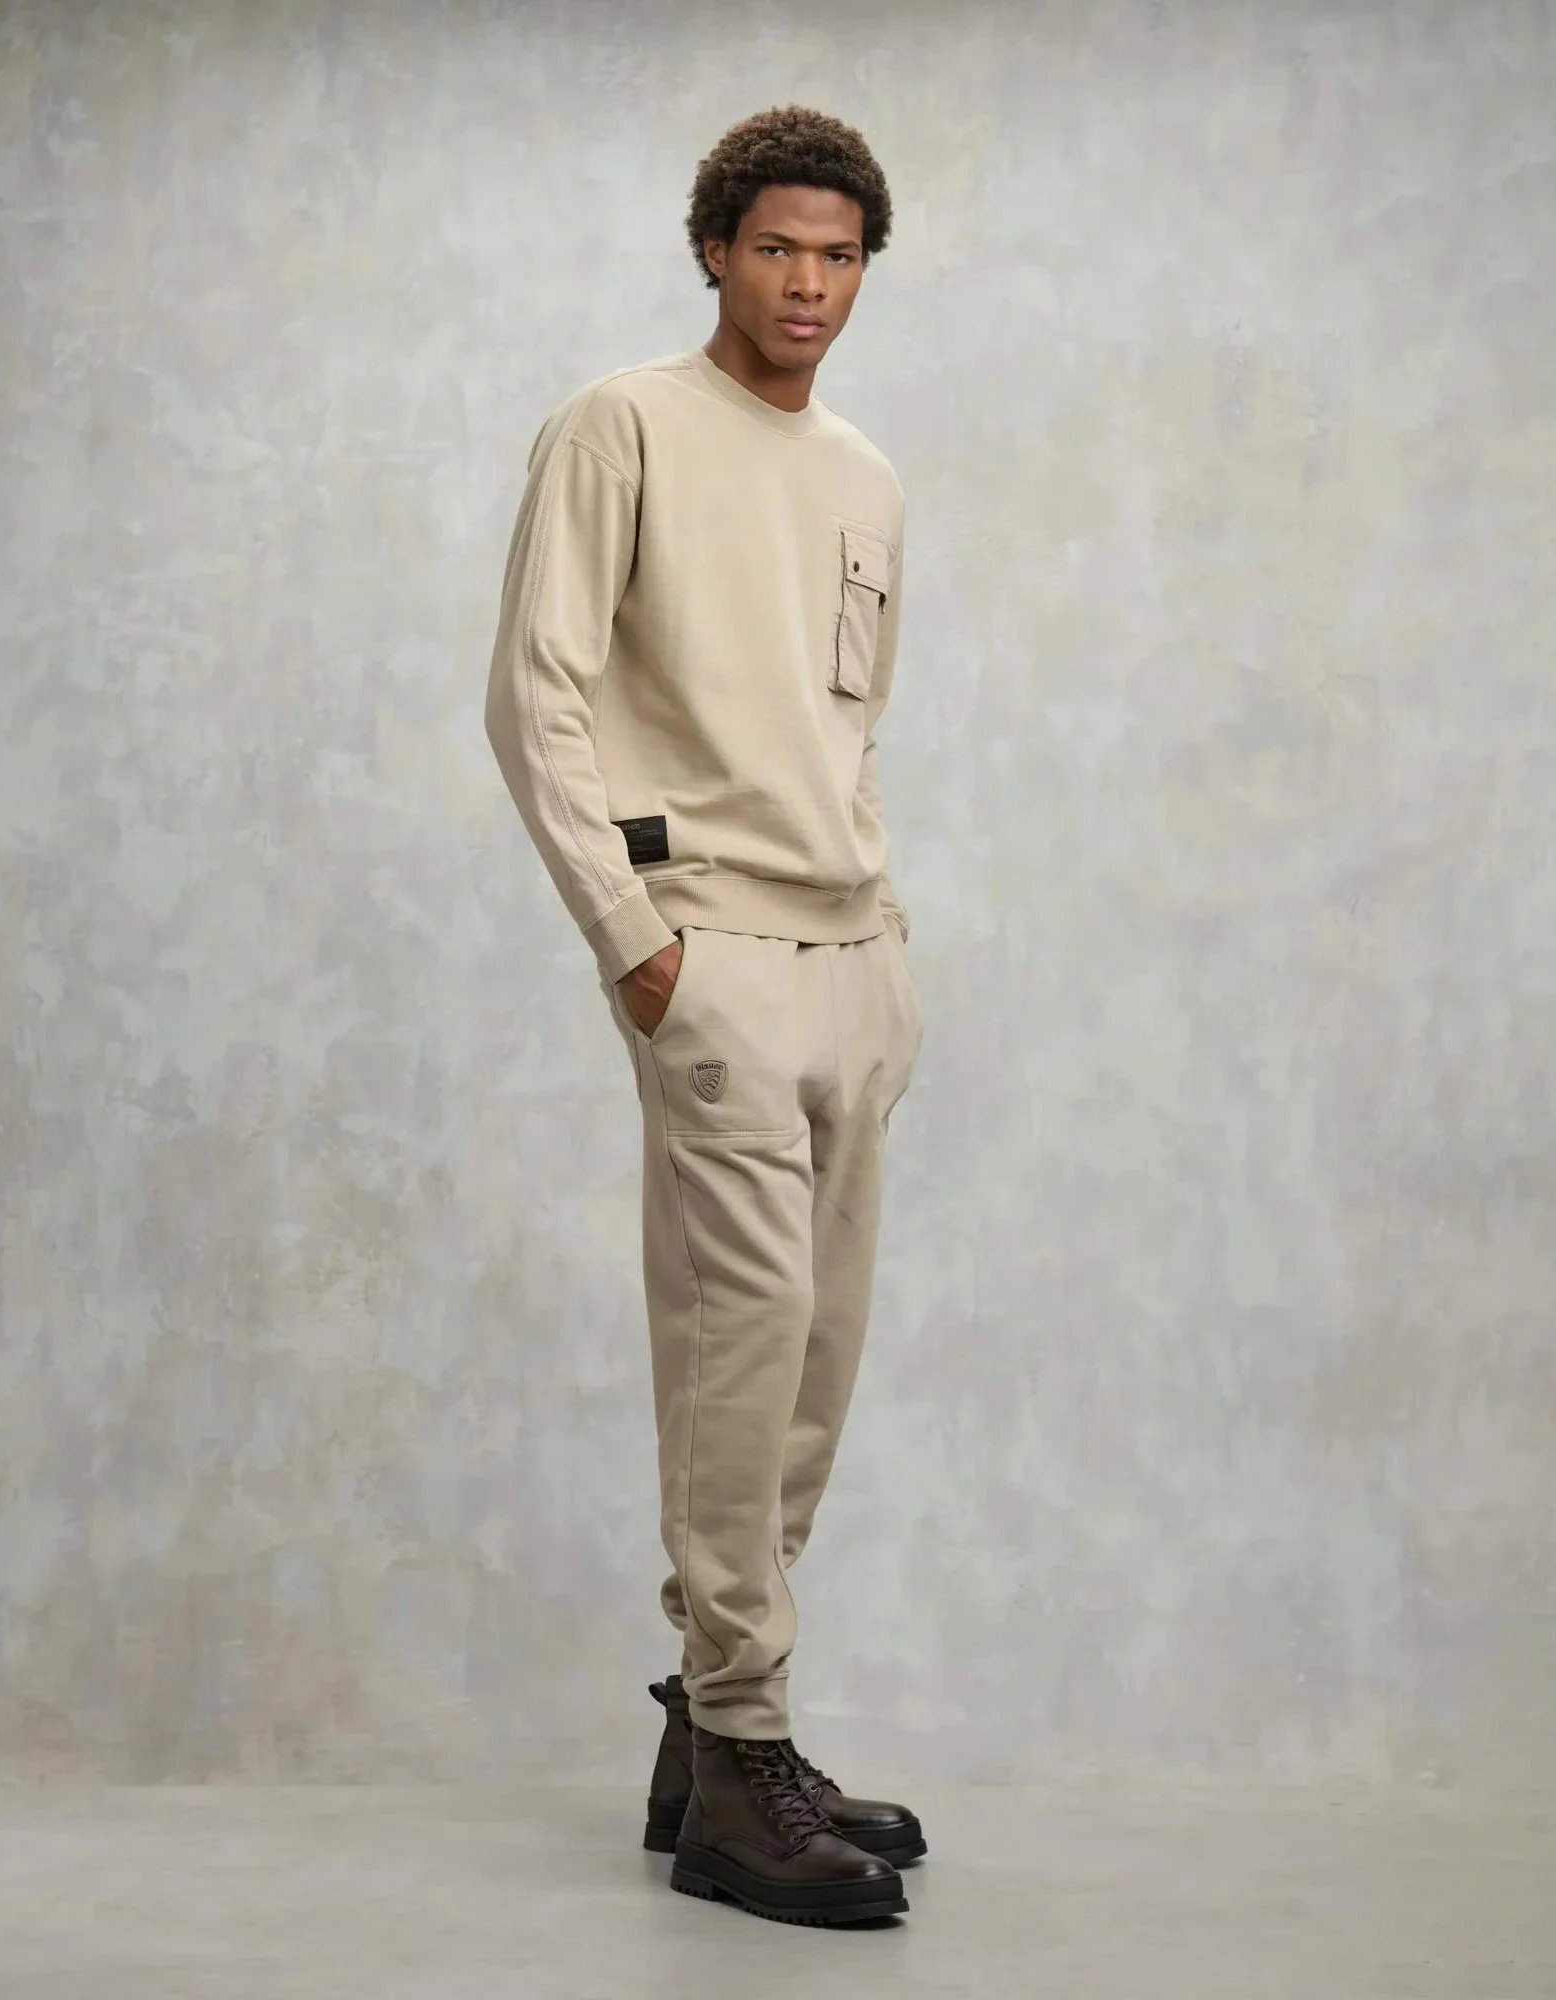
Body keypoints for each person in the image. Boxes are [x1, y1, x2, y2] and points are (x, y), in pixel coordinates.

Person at [483, 103, 926, 1928]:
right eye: (777, 249)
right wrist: (633, 940)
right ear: (717, 253)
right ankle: (748, 1743)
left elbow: (847, 725)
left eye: (838, 255)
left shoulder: (867, 477)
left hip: (853, 959)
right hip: (712, 951)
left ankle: (711, 1733)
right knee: (741, 1349)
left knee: (815, 1361)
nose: (808, 283)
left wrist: (889, 945)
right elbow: (536, 696)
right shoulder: (624, 425)